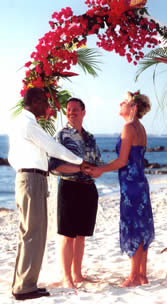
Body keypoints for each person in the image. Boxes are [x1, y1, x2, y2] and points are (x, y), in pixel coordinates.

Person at [8, 88, 83, 300]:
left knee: (29, 233)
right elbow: (53, 147)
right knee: (34, 233)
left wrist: (26, 170)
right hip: (32, 180)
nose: (47, 107)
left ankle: (23, 284)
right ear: (33, 101)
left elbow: (13, 158)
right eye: (43, 101)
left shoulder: (21, 123)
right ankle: (25, 287)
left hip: (28, 178)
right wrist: (80, 161)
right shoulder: (29, 125)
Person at [83, 91, 155, 287]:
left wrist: (100, 170)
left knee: (134, 227)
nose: (119, 104)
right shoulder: (141, 128)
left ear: (133, 108)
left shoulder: (128, 128)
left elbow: (122, 161)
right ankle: (142, 274)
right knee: (141, 226)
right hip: (140, 183)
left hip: (131, 185)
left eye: (123, 102)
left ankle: (133, 277)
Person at [49, 97, 102, 289]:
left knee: (81, 235)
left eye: (75, 109)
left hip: (88, 189)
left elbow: (98, 162)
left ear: (83, 112)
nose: (71, 112)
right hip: (69, 188)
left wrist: (93, 170)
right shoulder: (61, 136)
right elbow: (54, 166)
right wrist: (80, 169)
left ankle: (77, 275)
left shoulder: (91, 137)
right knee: (68, 235)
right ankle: (66, 277)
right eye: (68, 110)